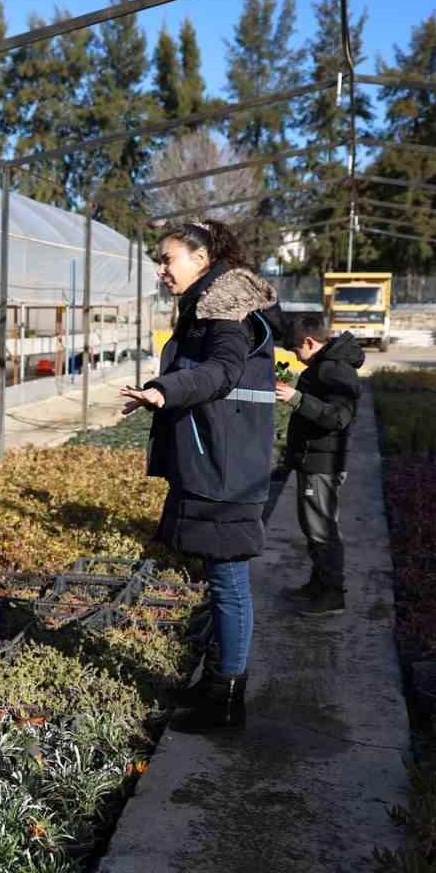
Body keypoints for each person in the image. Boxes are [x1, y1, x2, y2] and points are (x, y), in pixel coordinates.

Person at [118, 218, 282, 734]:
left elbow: (222, 371)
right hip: (219, 459)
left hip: (226, 468)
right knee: (221, 580)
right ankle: (218, 684)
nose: (161, 269)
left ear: (202, 258)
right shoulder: (209, 304)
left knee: (229, 581)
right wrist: (161, 393)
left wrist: (166, 391)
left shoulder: (225, 309)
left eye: (168, 258)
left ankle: (226, 701)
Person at [277, 313, 363, 618]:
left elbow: (339, 417)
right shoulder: (323, 367)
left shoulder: (335, 371)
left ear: (310, 342)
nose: (296, 358)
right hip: (312, 460)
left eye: (296, 351)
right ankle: (319, 584)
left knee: (322, 529)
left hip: (323, 463)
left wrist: (298, 399)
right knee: (312, 526)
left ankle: (332, 595)